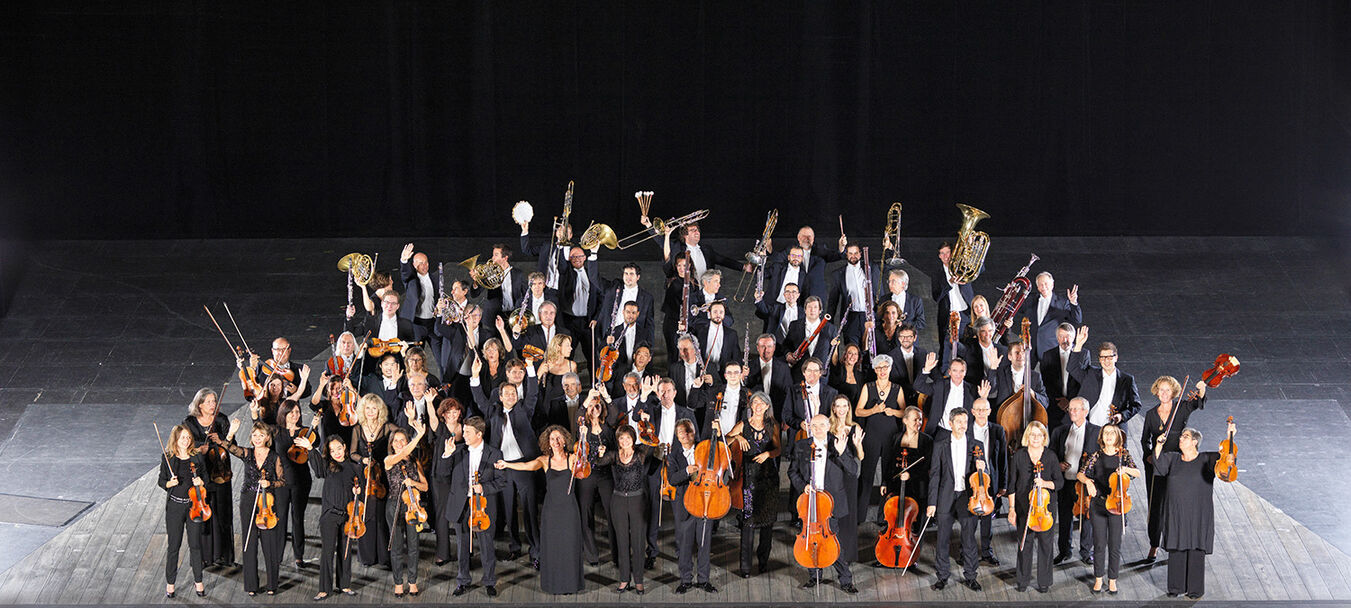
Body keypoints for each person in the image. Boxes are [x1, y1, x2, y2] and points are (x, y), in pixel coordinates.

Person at [495, 425, 584, 594]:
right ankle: (554, 585)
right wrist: (507, 464)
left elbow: (586, 468)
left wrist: (584, 438)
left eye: (559, 438)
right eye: (552, 439)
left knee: (569, 546)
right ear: (548, 443)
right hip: (551, 510)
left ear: (565, 440)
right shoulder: (544, 460)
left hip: (569, 509)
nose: (556, 441)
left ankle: (571, 584)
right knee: (553, 547)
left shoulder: (573, 458)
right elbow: (526, 466)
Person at [1154, 421, 1236, 599]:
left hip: (1199, 513)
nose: (1181, 439)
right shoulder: (1173, 458)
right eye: (1182, 436)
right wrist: (1158, 445)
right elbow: (1159, 466)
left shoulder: (1207, 459)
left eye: (1186, 437)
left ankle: (1195, 590)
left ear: (1195, 442)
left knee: (1196, 548)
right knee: (1177, 547)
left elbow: (1228, 463)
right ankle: (1175, 587)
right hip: (1176, 513)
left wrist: (1230, 436)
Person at [788, 414, 862, 594]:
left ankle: (845, 580)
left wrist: (843, 452)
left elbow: (853, 471)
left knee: (833, 543)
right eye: (814, 425)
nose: (818, 428)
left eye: (822, 425)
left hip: (831, 502)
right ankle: (814, 576)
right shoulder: (801, 446)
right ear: (809, 427)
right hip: (810, 500)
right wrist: (803, 486)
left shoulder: (839, 442)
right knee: (812, 538)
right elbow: (792, 472)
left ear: (829, 426)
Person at [212, 419, 287, 596]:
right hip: (248, 499)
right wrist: (231, 431)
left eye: (261, 435)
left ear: (267, 437)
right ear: (251, 438)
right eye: (255, 435)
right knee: (249, 542)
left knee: (269, 544)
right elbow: (228, 447)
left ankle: (272, 584)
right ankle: (251, 585)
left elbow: (283, 481)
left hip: (267, 502)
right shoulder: (247, 453)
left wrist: (269, 483)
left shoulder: (275, 457)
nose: (258, 438)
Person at [1140, 375, 1208, 562]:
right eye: (1161, 389)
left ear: (1174, 392)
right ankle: (1154, 544)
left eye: (1167, 390)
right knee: (1155, 506)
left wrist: (1202, 388)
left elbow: (1198, 403)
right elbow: (1145, 439)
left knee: (1176, 506)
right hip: (1157, 465)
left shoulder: (1182, 409)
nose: (1164, 393)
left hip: (1178, 465)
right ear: (1156, 391)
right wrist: (1148, 456)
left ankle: (1173, 544)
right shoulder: (1151, 415)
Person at [440, 416, 508, 598]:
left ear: (479, 434)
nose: (464, 434)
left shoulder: (495, 454)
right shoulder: (458, 450)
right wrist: (447, 455)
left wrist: (484, 488)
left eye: (468, 432)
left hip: (482, 507)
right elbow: (443, 474)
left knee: (486, 546)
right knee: (462, 546)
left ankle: (489, 581)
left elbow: (502, 482)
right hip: (461, 505)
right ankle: (463, 581)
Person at [1076, 424, 1142, 594]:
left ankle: (1112, 580)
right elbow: (1080, 474)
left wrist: (1125, 469)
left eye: (1112, 433)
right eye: (1106, 433)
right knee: (1098, 544)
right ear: (1102, 437)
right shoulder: (1096, 455)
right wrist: (1088, 482)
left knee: (1115, 545)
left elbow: (1137, 473)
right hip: (1098, 504)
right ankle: (1098, 579)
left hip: (1118, 505)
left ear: (1118, 436)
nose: (1109, 436)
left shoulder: (1123, 455)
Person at [926, 408, 985, 591]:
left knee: (968, 538)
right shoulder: (940, 444)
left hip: (968, 496)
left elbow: (983, 477)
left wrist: (982, 467)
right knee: (942, 537)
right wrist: (932, 502)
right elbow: (935, 475)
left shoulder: (976, 445)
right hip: (945, 496)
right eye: (958, 422)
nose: (962, 425)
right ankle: (942, 576)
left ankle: (971, 576)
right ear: (950, 424)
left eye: (965, 422)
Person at [300, 430, 361, 601]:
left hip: (348, 516)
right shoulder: (328, 466)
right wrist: (311, 449)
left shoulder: (354, 467)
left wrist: (359, 491)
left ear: (344, 448)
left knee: (346, 550)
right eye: (332, 450)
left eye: (339, 449)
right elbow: (318, 470)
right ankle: (324, 589)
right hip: (329, 516)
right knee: (327, 552)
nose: (336, 453)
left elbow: (361, 490)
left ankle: (344, 585)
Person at [726, 392, 781, 577]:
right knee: (748, 523)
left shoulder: (773, 425)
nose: (758, 405)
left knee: (767, 524)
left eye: (761, 403)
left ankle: (763, 562)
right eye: (754, 402)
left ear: (767, 406)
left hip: (768, 479)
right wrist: (737, 438)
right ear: (750, 406)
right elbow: (725, 440)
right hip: (748, 479)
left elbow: (778, 448)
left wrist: (768, 454)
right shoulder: (743, 425)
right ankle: (746, 567)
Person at [671, 419, 728, 594]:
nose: (685, 436)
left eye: (688, 432)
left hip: (706, 499)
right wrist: (686, 472)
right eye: (681, 433)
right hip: (685, 503)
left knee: (704, 542)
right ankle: (685, 580)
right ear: (677, 436)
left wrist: (718, 433)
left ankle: (704, 580)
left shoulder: (704, 448)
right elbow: (672, 479)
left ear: (693, 432)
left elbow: (721, 461)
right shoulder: (674, 454)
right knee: (685, 543)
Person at [182, 387, 236, 569]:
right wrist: (199, 447)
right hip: (200, 474)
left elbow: (231, 446)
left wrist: (221, 439)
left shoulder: (221, 420)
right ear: (200, 404)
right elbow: (184, 443)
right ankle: (205, 557)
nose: (213, 405)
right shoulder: (190, 422)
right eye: (209, 402)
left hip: (220, 472)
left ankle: (224, 555)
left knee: (222, 513)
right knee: (204, 515)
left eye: (214, 401)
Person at [1007, 420, 1062, 593]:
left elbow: (1059, 483)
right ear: (1027, 437)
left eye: (1039, 435)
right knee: (1025, 543)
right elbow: (1011, 485)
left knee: (1046, 544)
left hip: (1045, 509)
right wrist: (1011, 509)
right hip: (1024, 507)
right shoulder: (1019, 456)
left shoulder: (1050, 456)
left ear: (1044, 437)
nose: (1036, 438)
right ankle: (1022, 580)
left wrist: (1044, 483)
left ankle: (1044, 582)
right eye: (1032, 434)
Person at [597, 426, 654, 593]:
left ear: (633, 438)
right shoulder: (614, 455)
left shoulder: (641, 453)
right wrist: (600, 453)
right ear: (618, 440)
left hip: (638, 501)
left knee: (638, 541)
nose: (625, 441)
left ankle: (638, 580)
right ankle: (624, 579)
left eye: (628, 437)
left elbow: (653, 440)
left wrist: (646, 424)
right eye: (621, 438)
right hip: (619, 500)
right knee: (621, 541)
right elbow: (599, 463)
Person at [349, 393, 401, 568]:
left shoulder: (387, 428)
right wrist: (363, 460)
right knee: (367, 515)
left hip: (381, 478)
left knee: (381, 516)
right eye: (368, 408)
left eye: (374, 408)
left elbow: (401, 435)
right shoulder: (357, 429)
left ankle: (384, 556)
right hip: (365, 478)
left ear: (380, 410)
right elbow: (352, 453)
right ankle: (367, 556)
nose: (371, 411)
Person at [853, 354, 905, 525]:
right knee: (867, 476)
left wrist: (894, 412)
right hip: (872, 435)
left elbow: (905, 412)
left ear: (890, 369)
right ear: (875, 370)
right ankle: (859, 516)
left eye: (885, 367)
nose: (882, 371)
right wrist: (874, 410)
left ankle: (885, 518)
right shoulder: (868, 387)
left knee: (888, 476)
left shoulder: (897, 388)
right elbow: (858, 411)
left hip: (891, 435)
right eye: (879, 368)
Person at [158, 424, 207, 598]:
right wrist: (169, 483)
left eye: (188, 437)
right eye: (182, 438)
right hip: (175, 507)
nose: (185, 441)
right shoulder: (168, 457)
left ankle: (198, 580)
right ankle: (170, 583)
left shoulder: (197, 457)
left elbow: (206, 481)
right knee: (174, 546)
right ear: (176, 440)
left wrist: (200, 482)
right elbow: (161, 481)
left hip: (193, 506)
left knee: (195, 545)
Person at [1049, 397, 1100, 565]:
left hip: (1084, 483)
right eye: (1070, 409)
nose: (1072, 412)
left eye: (1076, 409)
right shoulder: (1060, 431)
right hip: (1065, 481)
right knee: (1064, 517)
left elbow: (1100, 458)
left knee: (1087, 517)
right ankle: (1064, 551)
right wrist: (1057, 464)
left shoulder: (1096, 432)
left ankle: (1086, 552)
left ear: (1085, 412)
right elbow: (1051, 454)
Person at [384, 423, 428, 597]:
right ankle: (398, 583)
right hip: (394, 505)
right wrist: (419, 435)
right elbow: (402, 454)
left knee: (413, 546)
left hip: (413, 507)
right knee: (396, 548)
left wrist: (413, 483)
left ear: (407, 441)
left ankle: (412, 581)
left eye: (403, 440)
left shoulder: (415, 461)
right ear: (392, 444)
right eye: (396, 441)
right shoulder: (389, 460)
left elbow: (424, 487)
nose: (400, 443)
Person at [1068, 326, 1143, 425]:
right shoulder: (1091, 374)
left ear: (1116, 358)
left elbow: (1136, 405)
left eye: (1109, 357)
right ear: (1099, 359)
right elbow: (1072, 368)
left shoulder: (1127, 379)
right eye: (1102, 357)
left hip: (1114, 428)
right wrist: (1078, 345)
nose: (1106, 361)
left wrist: (1122, 416)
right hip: (1090, 426)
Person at [575, 397, 616, 566]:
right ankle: (592, 555)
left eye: (597, 405)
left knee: (612, 512)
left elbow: (613, 411)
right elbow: (579, 414)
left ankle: (617, 553)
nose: (594, 408)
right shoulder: (582, 427)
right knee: (586, 513)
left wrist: (605, 453)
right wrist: (583, 436)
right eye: (591, 405)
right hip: (587, 474)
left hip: (606, 475)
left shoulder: (608, 428)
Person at [272, 400, 313, 568]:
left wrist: (313, 432)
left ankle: (299, 555)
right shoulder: (276, 432)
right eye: (291, 412)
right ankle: (278, 554)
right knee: (280, 518)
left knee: (298, 518)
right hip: (281, 482)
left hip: (301, 481)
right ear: (284, 414)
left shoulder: (305, 433)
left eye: (297, 412)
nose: (295, 415)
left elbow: (314, 446)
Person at [827, 395, 864, 575]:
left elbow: (861, 457)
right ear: (833, 409)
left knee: (849, 515)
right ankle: (832, 552)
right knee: (833, 514)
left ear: (849, 408)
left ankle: (847, 555)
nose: (841, 409)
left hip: (849, 477)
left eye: (845, 406)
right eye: (838, 406)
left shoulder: (856, 427)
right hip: (833, 476)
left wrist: (857, 445)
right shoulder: (828, 428)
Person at [968, 395, 1007, 565]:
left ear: (990, 411)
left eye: (985, 409)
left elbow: (1003, 459)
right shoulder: (966, 429)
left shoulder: (998, 430)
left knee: (987, 520)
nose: (981, 413)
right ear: (973, 412)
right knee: (968, 521)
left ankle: (986, 552)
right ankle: (966, 552)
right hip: (971, 481)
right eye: (978, 409)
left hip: (990, 481)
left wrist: (1003, 484)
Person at [1014, 272, 1082, 367]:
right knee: (1027, 379)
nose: (1043, 287)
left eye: (1046, 283)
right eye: (1040, 284)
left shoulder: (1062, 303)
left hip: (1050, 349)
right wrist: (1012, 291)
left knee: (1050, 379)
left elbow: (1077, 320)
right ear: (1037, 287)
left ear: (1052, 284)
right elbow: (1016, 308)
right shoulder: (1030, 299)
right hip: (1030, 348)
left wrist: (1073, 303)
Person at [915, 354, 974, 440]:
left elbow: (991, 389)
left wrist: (993, 369)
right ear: (949, 372)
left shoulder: (972, 389)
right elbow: (918, 386)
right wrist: (926, 370)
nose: (958, 374)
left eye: (961, 371)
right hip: (941, 432)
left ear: (965, 372)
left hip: (963, 434)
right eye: (955, 370)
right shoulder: (940, 385)